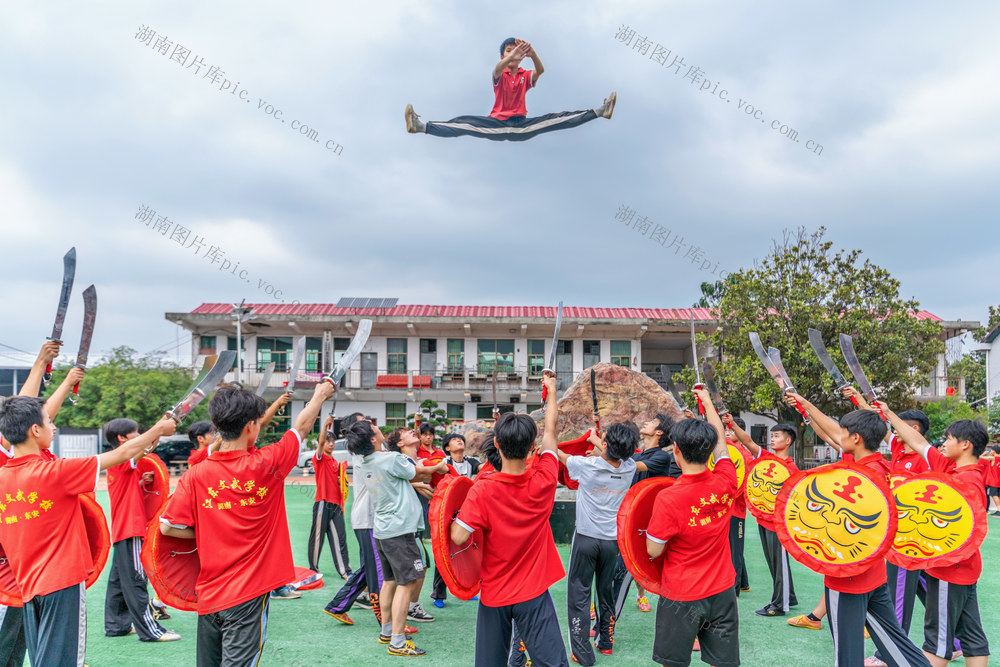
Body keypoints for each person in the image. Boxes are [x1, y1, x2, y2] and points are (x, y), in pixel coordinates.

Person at [159, 380, 334, 666]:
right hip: (247, 595)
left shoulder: (196, 474)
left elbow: (168, 527)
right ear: (252, 426)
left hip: (209, 593)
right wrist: (319, 395)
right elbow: (300, 428)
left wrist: (209, 531)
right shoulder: (268, 463)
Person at [0, 394, 176, 667]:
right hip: (62, 583)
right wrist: (159, 430)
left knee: (43, 660)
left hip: (26, 585)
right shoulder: (54, 472)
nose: (53, 426)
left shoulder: (3, 478)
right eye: (48, 421)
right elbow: (123, 453)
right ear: (35, 430)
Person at [788, 394, 931, 667]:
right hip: (875, 575)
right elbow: (829, 429)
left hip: (848, 577)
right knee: (895, 644)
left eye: (844, 432)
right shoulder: (880, 467)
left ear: (856, 438)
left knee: (848, 653)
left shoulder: (860, 476)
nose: (838, 436)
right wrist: (805, 406)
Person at [452, 372, 569, 667]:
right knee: (553, 663)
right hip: (533, 592)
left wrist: (455, 513)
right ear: (532, 447)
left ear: (498, 447)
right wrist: (552, 390)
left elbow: (457, 537)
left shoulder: (483, 490)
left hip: (495, 594)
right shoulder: (544, 479)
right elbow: (552, 433)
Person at [880, 403, 991, 667]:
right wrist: (887, 412)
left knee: (937, 641)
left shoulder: (966, 482)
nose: (943, 443)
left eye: (950, 439)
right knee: (973, 639)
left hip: (948, 570)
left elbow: (968, 531)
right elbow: (918, 442)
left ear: (965, 445)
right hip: (965, 571)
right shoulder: (954, 470)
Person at [645, 388, 739, 667]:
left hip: (682, 595)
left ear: (676, 451)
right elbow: (721, 441)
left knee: (673, 663)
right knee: (722, 663)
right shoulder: (726, 479)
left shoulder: (669, 497)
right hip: (722, 590)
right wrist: (708, 401)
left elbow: (653, 550)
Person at [0, 353, 83, 667]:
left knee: (28, 637)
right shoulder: (10, 454)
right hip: (11, 561)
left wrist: (49, 371)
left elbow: (33, 415)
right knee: (9, 639)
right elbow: (33, 416)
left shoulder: (13, 448)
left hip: (22, 556)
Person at [347, 420, 446, 657]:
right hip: (399, 531)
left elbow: (407, 476)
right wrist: (438, 467)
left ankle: (387, 630)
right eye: (373, 428)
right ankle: (398, 641)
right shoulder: (391, 459)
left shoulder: (368, 462)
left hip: (383, 530)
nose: (377, 427)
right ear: (373, 439)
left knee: (390, 582)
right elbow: (418, 472)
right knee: (406, 583)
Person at [405, 37, 615, 141]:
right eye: (508, 51)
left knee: (557, 118)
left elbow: (540, 71)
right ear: (503, 56)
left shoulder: (524, 75)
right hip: (497, 123)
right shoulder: (501, 73)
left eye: (516, 51)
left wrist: (533, 55)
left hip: (521, 125)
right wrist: (511, 58)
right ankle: (420, 127)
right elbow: (496, 70)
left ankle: (599, 112)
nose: (514, 54)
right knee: (463, 123)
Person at [559, 424, 637, 664]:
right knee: (605, 592)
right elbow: (612, 455)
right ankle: (606, 642)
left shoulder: (586, 466)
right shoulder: (630, 468)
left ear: (605, 444)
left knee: (579, 594)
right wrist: (596, 439)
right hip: (611, 543)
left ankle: (581, 651)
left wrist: (591, 439)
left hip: (585, 539)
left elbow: (562, 456)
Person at [102, 418, 180, 643]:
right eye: (135, 433)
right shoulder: (123, 457)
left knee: (118, 582)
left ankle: (116, 625)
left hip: (122, 528)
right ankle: (150, 631)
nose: (139, 436)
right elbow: (146, 446)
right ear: (122, 438)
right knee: (136, 580)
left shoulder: (121, 462)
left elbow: (145, 447)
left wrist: (139, 483)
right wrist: (161, 426)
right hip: (131, 528)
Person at [383, 428, 437, 625]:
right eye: (407, 432)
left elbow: (421, 481)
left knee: (398, 576)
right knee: (412, 573)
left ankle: (390, 624)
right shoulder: (400, 462)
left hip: (408, 525)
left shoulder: (413, 462)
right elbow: (416, 479)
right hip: (401, 527)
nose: (414, 432)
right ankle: (405, 613)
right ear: (399, 443)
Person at [430, 433, 482, 608]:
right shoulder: (443, 463)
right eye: (454, 440)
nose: (459, 441)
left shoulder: (471, 461)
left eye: (461, 439)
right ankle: (438, 594)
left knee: (466, 550)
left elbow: (483, 468)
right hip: (444, 514)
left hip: (465, 513)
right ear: (447, 448)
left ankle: (466, 588)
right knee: (443, 552)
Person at [754, 424, 800, 617]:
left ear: (788, 441)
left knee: (780, 563)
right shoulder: (767, 461)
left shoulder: (791, 468)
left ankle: (780, 604)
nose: (772, 439)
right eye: (771, 436)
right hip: (763, 519)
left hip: (778, 524)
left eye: (777, 436)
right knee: (773, 563)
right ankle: (789, 596)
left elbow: (796, 498)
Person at [309, 415, 351, 578]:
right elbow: (319, 444)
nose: (331, 444)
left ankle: (345, 571)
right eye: (328, 441)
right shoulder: (319, 459)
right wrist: (325, 425)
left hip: (336, 505)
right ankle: (313, 569)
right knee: (317, 538)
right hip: (322, 502)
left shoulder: (335, 462)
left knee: (340, 538)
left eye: (333, 441)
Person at [720, 414, 757, 597]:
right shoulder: (724, 452)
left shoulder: (744, 455)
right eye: (724, 429)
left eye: (730, 429)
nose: (727, 432)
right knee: (732, 547)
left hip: (736, 509)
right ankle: (743, 583)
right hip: (725, 508)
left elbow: (743, 483)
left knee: (735, 549)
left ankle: (733, 589)